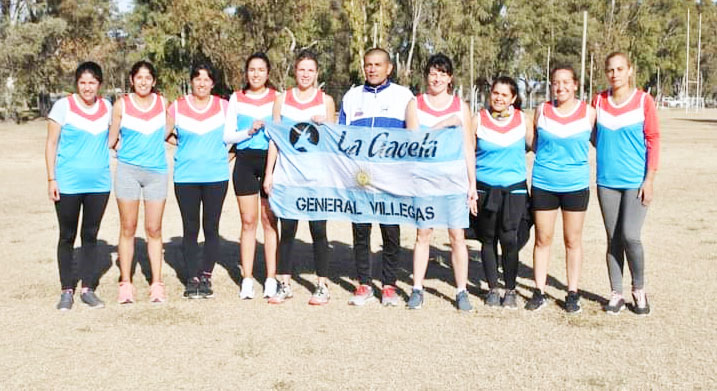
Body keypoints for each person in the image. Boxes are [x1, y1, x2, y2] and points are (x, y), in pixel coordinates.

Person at [338, 47, 419, 306]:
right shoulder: (351, 97)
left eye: (377, 65)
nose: (372, 69)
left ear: (389, 68)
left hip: (390, 178)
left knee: (390, 232)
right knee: (361, 232)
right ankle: (364, 285)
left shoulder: (403, 96)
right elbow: (341, 136)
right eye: (368, 65)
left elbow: (413, 137)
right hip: (359, 178)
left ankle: (389, 286)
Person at [263, 50, 336, 305]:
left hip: (318, 179)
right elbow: (275, 138)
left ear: (317, 73)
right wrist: (269, 174)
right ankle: (284, 284)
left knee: (319, 230)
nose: (305, 74)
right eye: (301, 69)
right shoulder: (282, 100)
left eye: (310, 70)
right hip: (288, 177)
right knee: (288, 231)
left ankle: (322, 285)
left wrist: (325, 124)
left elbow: (332, 143)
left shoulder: (325, 101)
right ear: (295, 71)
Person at [407, 54, 477, 311]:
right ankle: (417, 288)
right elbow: (414, 143)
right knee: (423, 233)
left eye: (442, 74)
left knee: (457, 235)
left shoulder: (461, 107)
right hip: (424, 181)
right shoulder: (415, 104)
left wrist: (471, 185)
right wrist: (443, 123)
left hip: (454, 182)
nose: (436, 78)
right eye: (433, 73)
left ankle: (462, 291)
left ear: (450, 78)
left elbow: (468, 146)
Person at [593, 52, 659, 315]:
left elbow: (653, 139)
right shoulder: (598, 100)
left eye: (620, 69)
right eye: (610, 69)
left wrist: (649, 179)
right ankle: (616, 293)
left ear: (630, 71)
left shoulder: (644, 101)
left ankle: (639, 289)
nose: (615, 74)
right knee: (613, 238)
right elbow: (592, 136)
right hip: (606, 181)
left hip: (635, 181)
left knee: (631, 235)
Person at [526, 64, 596, 313]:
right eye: (556, 82)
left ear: (575, 84)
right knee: (542, 239)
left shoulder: (589, 112)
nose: (561, 87)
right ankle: (539, 291)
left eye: (566, 82)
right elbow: (533, 143)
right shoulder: (541, 110)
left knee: (572, 240)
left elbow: (598, 142)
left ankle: (572, 292)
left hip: (576, 185)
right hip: (544, 183)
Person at [45, 61, 112, 310]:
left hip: (99, 184)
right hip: (68, 184)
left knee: (90, 236)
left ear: (99, 84)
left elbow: (116, 138)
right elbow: (51, 143)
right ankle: (66, 290)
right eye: (83, 82)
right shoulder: (63, 107)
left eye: (92, 82)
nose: (87, 87)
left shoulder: (107, 107)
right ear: (77, 84)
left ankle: (87, 288)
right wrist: (52, 178)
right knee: (67, 236)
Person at [166, 63, 230, 299]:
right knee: (190, 228)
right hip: (186, 177)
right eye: (197, 79)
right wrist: (182, 144)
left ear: (213, 83)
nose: (202, 83)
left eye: (207, 79)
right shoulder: (178, 107)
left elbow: (233, 136)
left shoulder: (224, 106)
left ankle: (206, 276)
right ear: (191, 81)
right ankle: (191, 277)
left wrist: (228, 156)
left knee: (211, 228)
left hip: (216, 177)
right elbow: (165, 133)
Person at [108, 61, 168, 304]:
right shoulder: (121, 104)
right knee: (128, 228)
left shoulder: (164, 104)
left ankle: (156, 283)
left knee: (154, 229)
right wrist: (123, 149)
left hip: (157, 173)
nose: (143, 81)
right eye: (139, 77)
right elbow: (112, 139)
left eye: (148, 77)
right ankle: (126, 283)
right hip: (127, 173)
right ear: (132, 80)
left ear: (153, 81)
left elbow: (170, 131)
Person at [472, 76, 534, 309]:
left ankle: (510, 289)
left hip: (514, 190)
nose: (498, 98)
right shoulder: (478, 119)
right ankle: (492, 289)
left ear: (513, 99)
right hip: (484, 189)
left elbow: (538, 146)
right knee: (488, 239)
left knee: (509, 239)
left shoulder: (523, 120)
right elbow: (468, 151)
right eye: (495, 93)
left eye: (504, 95)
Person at [224, 53, 279, 300]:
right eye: (251, 70)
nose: (256, 74)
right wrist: (248, 131)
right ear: (246, 73)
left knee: (269, 222)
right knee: (248, 222)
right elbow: (228, 137)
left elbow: (281, 134)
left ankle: (270, 278)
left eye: (260, 70)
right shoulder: (236, 98)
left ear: (268, 73)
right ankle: (247, 279)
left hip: (270, 163)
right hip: (245, 163)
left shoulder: (278, 98)